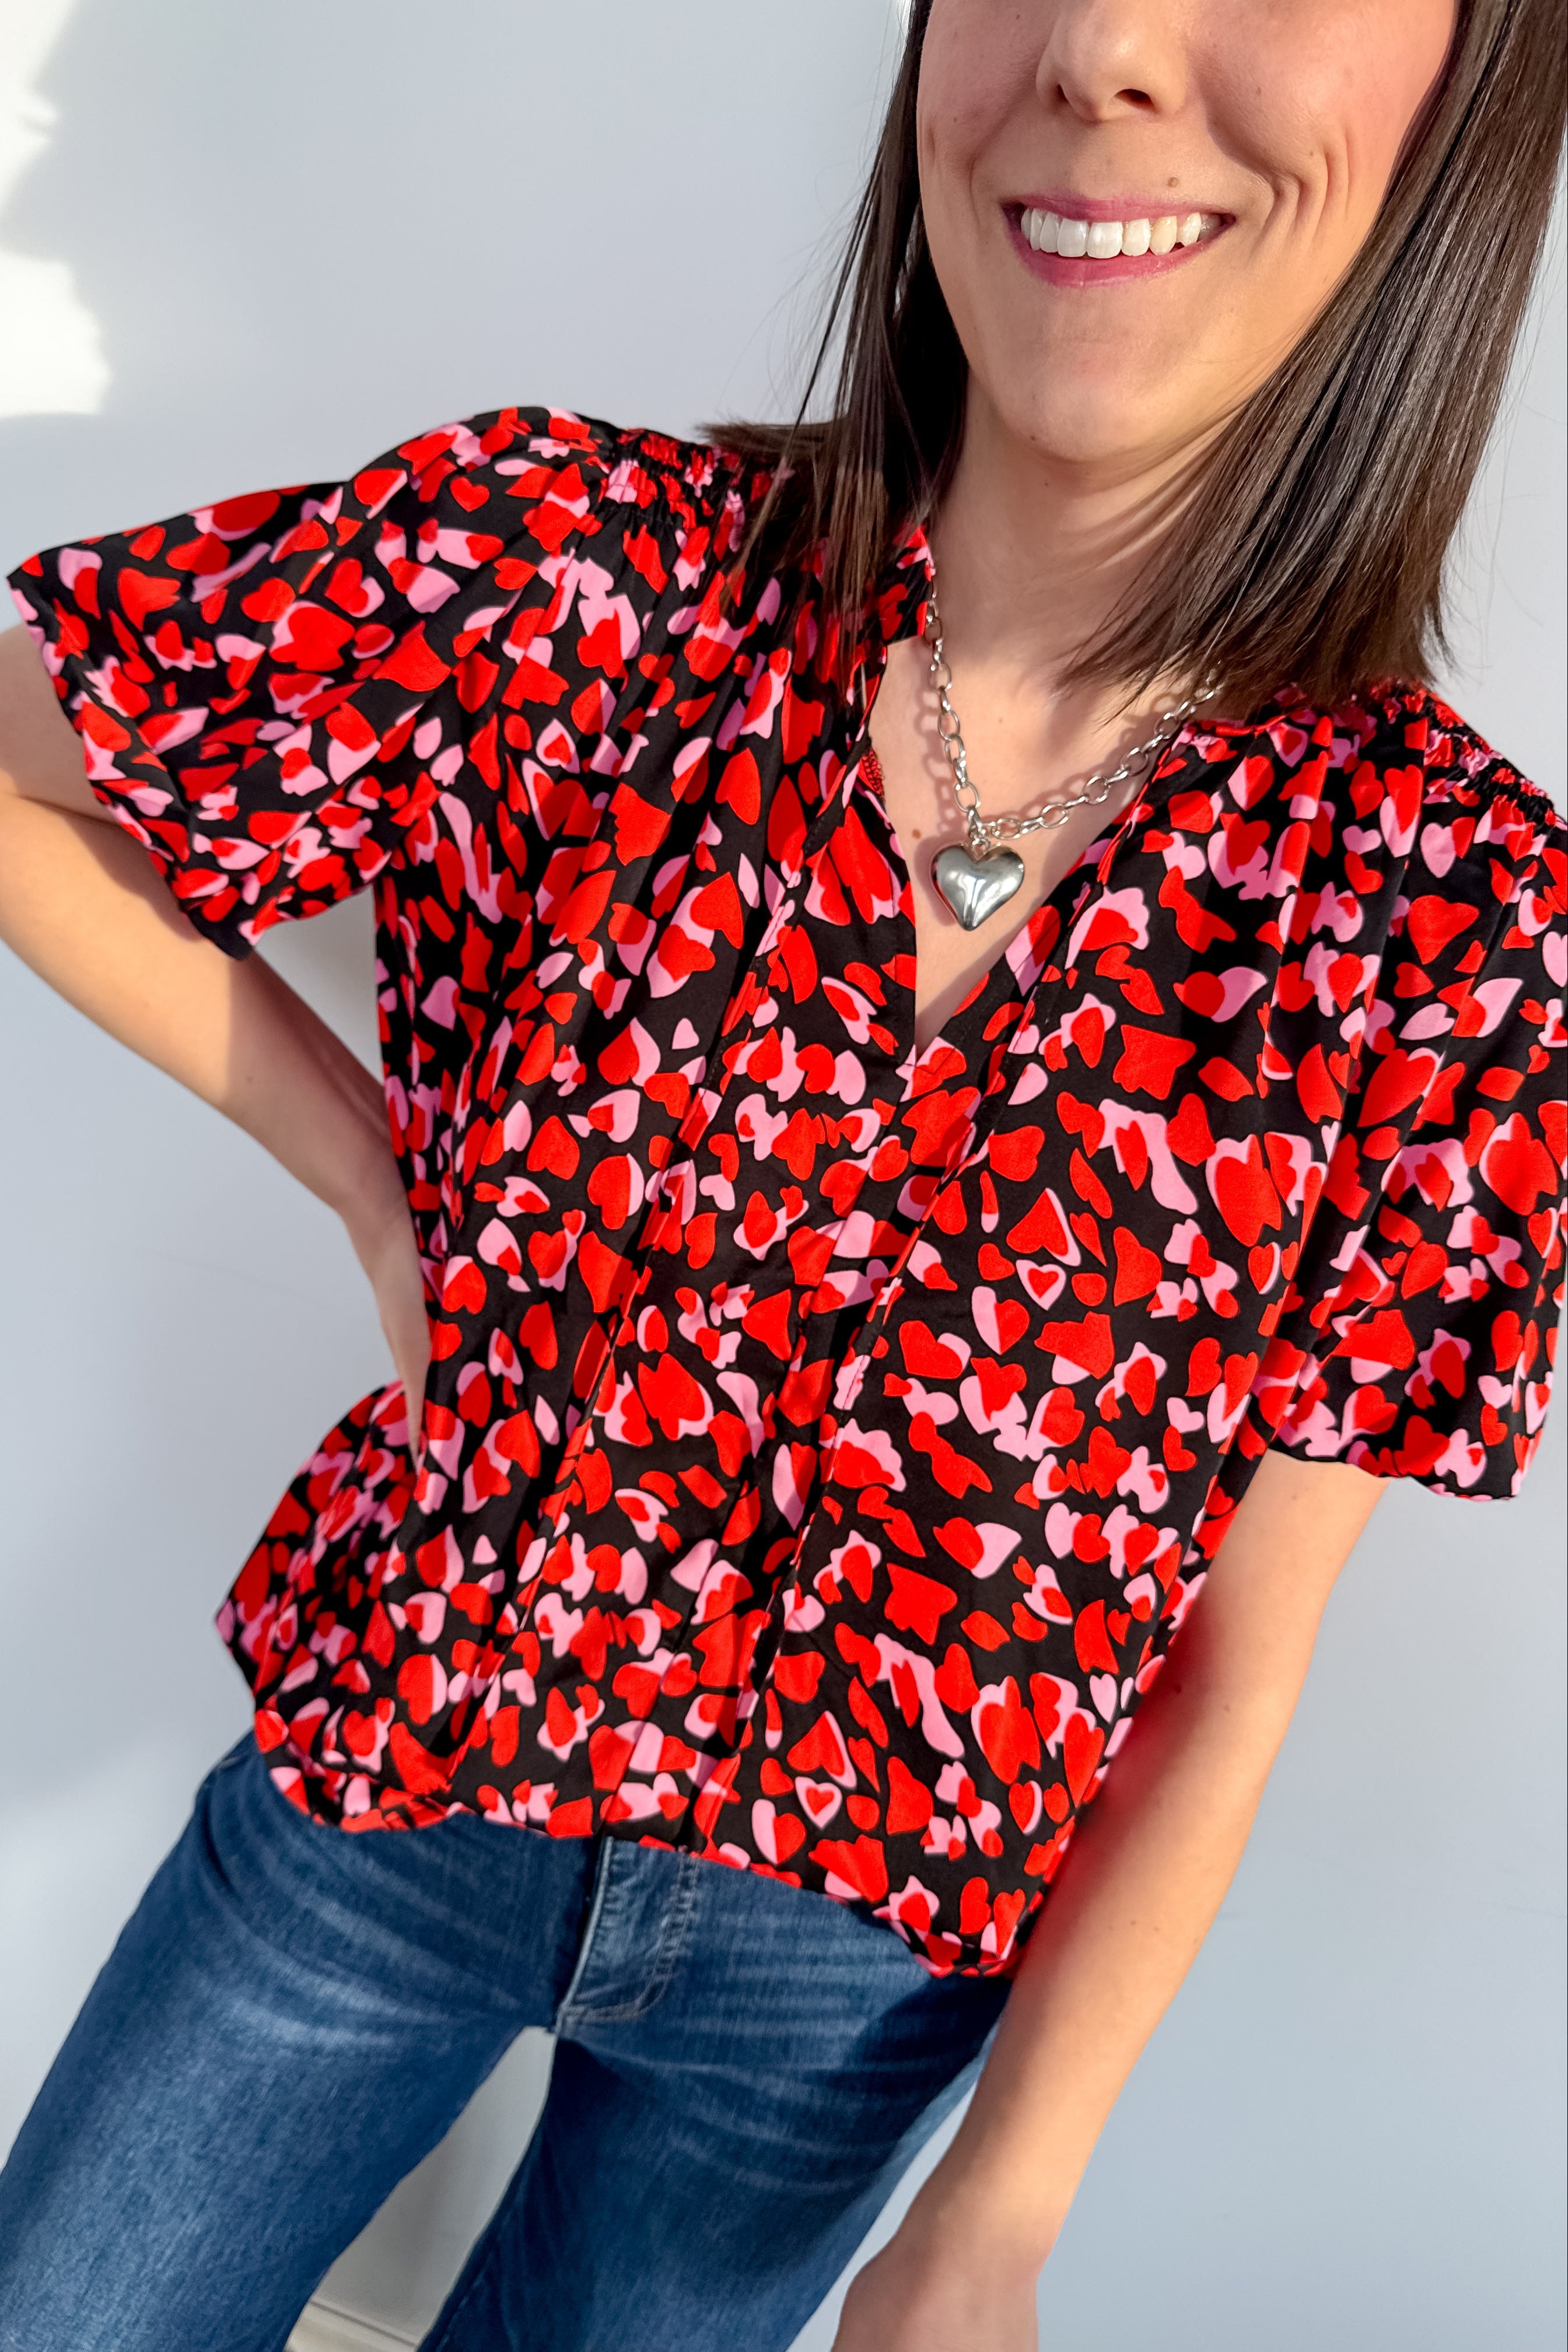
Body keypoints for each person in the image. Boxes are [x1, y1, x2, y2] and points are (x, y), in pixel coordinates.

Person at [0, 1, 1562, 2346]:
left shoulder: (1450, 922)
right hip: (386, 1793)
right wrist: (366, 1168)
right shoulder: (574, 573)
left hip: (840, 1999)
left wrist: (1004, 2210)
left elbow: (1233, 1665)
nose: (1112, 43)